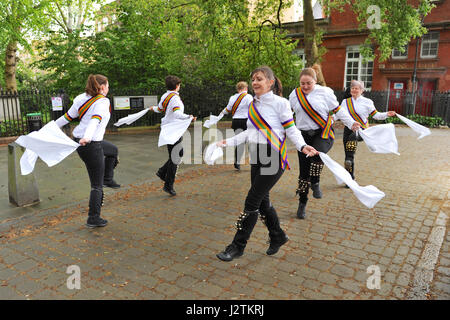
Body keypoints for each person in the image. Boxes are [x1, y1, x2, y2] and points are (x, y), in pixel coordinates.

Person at [215, 66, 318, 262]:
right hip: (257, 155)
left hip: (274, 157)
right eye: (253, 79)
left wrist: (303, 145)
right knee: (263, 202)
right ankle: (277, 235)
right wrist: (227, 142)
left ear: (270, 82)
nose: (255, 83)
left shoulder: (281, 103)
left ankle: (238, 246)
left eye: (259, 79)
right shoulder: (251, 104)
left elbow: (291, 129)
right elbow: (249, 133)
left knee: (252, 201)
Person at [289, 68, 360, 220]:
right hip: (302, 136)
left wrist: (351, 122)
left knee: (318, 156)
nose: (306, 86)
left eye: (309, 83)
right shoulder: (294, 95)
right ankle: (302, 203)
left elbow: (338, 111)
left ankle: (315, 182)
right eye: (303, 83)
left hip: (322, 133)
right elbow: (287, 115)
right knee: (303, 174)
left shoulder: (325, 93)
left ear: (315, 81)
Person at [55, 74, 120, 228]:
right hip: (89, 143)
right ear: (103, 87)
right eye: (108, 86)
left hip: (84, 141)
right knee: (96, 186)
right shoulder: (102, 102)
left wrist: (49, 127)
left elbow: (66, 117)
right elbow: (94, 121)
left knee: (113, 150)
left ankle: (108, 178)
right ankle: (93, 218)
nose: (108, 89)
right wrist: (87, 137)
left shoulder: (81, 98)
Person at [340, 80, 396, 180]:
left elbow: (376, 115)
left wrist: (386, 114)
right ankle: (350, 178)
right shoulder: (345, 102)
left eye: (356, 88)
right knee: (348, 153)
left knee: (351, 144)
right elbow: (339, 114)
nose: (354, 90)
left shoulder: (367, 102)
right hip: (348, 129)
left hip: (362, 130)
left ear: (362, 90)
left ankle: (348, 159)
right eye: (352, 88)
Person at [150, 75, 196, 196]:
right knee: (176, 156)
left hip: (169, 129)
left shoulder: (165, 96)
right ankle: (168, 184)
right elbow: (177, 113)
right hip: (173, 129)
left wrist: (152, 108)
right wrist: (189, 117)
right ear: (177, 86)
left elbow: (159, 109)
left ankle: (162, 173)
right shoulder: (175, 98)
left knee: (175, 155)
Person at [218, 81, 253, 170]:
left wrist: (220, 115)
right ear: (246, 88)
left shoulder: (232, 97)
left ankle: (237, 162)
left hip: (236, 121)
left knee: (239, 141)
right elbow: (252, 108)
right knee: (251, 141)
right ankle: (253, 162)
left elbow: (228, 109)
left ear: (238, 89)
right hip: (246, 121)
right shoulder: (248, 97)